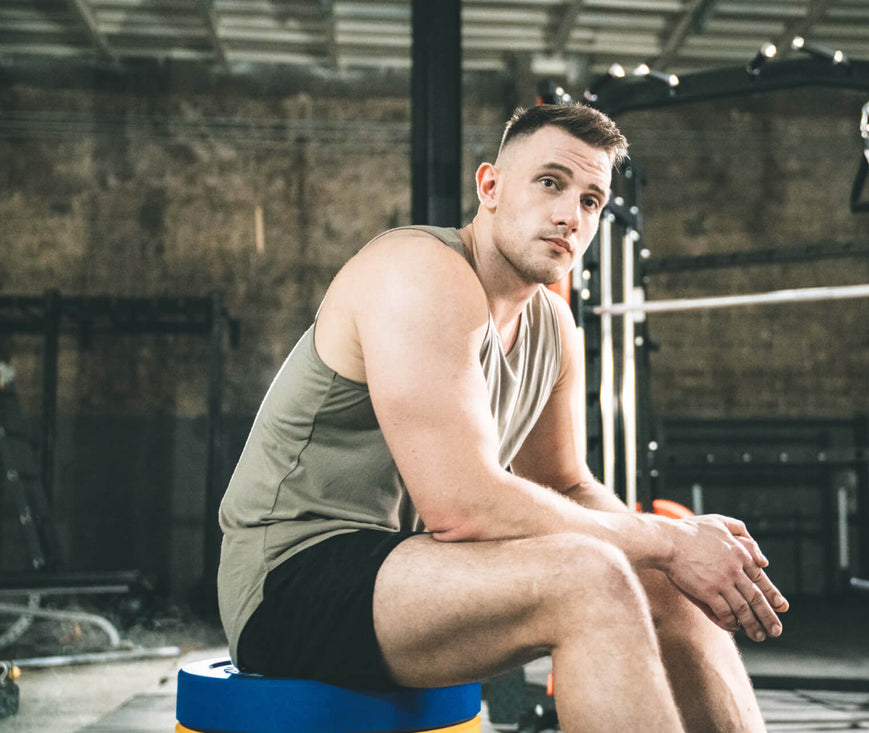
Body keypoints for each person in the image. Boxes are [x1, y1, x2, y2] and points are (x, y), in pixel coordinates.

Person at [218, 103, 788, 733]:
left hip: (414, 571)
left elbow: (567, 485)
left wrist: (682, 558)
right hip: (291, 579)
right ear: (489, 187)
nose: (571, 215)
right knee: (591, 577)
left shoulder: (553, 327)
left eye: (592, 200)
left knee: (664, 585)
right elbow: (463, 506)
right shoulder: (417, 270)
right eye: (551, 183)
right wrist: (671, 539)